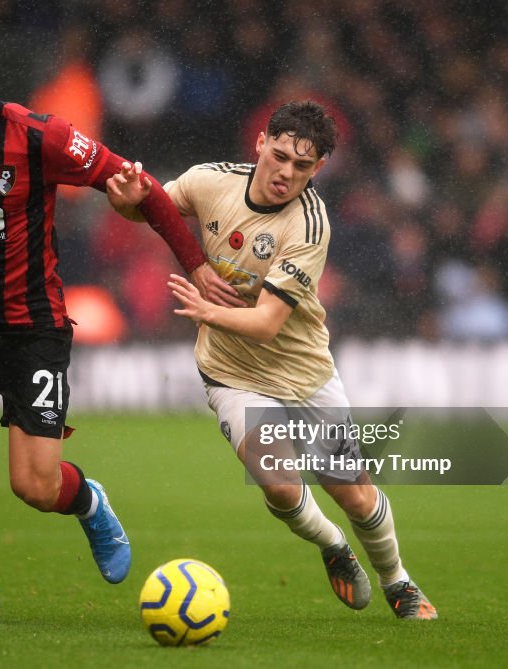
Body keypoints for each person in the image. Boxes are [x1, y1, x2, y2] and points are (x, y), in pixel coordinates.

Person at [0, 36, 240, 625]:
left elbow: (140, 184)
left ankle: (88, 501)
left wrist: (197, 264)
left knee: (34, 486)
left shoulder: (41, 137)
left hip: (33, 326)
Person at [106, 100, 438, 620]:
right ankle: (333, 546)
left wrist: (204, 310)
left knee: (355, 496)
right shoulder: (209, 180)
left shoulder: (309, 225)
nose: (285, 173)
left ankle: (399, 581)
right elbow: (150, 208)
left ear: (319, 168)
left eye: (301, 166)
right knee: (281, 486)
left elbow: (265, 323)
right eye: (279, 155)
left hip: (303, 376)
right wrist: (126, 200)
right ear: (260, 141)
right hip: (232, 373)